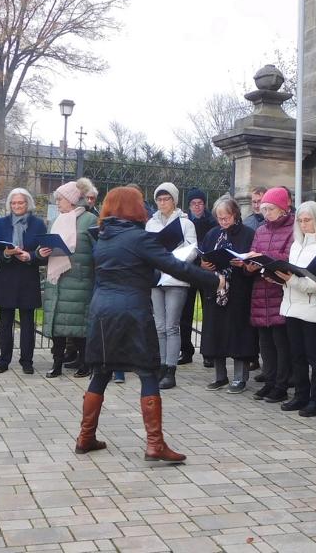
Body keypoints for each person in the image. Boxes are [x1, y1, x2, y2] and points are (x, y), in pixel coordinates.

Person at [73, 187, 223, 462]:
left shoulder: (103, 237)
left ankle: (85, 437)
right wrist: (215, 280)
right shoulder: (139, 238)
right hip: (132, 311)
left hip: (102, 311)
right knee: (147, 373)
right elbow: (176, 268)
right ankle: (155, 444)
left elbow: (139, 273)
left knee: (101, 372)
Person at [276, 201, 316, 416]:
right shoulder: (296, 244)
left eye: (307, 220)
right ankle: (301, 396)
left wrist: (292, 281)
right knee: (296, 355)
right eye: (299, 221)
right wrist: (278, 277)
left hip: (314, 310)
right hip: (292, 307)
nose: (303, 224)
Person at [199, 196, 256, 393]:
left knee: (238, 334)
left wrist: (243, 264)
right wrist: (203, 264)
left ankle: (240, 378)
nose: (223, 222)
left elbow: (254, 262)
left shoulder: (247, 234)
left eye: (227, 217)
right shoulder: (213, 234)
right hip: (216, 290)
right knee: (216, 333)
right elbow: (202, 255)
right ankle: (220, 376)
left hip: (238, 290)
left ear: (235, 215)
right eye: (220, 218)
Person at [145, 182, 198, 389]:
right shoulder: (151, 223)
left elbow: (193, 250)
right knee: (159, 326)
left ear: (174, 200)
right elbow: (147, 247)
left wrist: (175, 261)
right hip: (157, 277)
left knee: (171, 326)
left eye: (166, 199)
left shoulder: (186, 224)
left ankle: (171, 369)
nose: (162, 202)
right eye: (159, 199)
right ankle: (160, 365)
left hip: (175, 277)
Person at [42, 179, 96, 378]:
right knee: (58, 326)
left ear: (72, 200)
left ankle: (84, 363)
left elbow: (97, 249)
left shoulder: (89, 220)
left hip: (79, 281)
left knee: (79, 325)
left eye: (60, 199)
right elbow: (46, 246)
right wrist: (42, 251)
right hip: (56, 280)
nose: (57, 203)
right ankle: (56, 364)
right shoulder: (57, 220)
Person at [0, 188, 47, 374]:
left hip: (27, 277)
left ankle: (27, 361)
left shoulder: (38, 224)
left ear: (27, 204)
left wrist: (30, 256)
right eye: (13, 203)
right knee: (6, 321)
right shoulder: (1, 223)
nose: (16, 206)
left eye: (20, 203)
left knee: (27, 322)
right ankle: (3, 360)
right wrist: (6, 254)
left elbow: (45, 252)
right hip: (6, 276)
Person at [247, 187, 294, 402]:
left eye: (270, 209)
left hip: (279, 291)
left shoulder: (293, 228)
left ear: (283, 208)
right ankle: (269, 380)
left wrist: (263, 256)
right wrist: (248, 264)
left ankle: (281, 385)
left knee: (280, 343)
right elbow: (254, 251)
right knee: (265, 343)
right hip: (260, 291)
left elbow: (288, 256)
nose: (266, 213)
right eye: (264, 209)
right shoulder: (260, 230)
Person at [181, 188, 214, 366]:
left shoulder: (212, 221)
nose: (197, 207)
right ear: (189, 206)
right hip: (190, 270)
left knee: (208, 313)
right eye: (194, 204)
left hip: (207, 270)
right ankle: (186, 350)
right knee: (185, 312)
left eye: (200, 203)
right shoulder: (184, 222)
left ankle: (208, 353)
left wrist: (205, 261)